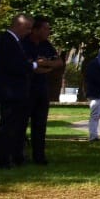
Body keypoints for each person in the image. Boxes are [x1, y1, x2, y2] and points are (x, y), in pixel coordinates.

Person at [0, 13, 33, 168]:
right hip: (10, 91)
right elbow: (13, 66)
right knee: (7, 127)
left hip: (17, 91)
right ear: (18, 25)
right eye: (27, 28)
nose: (29, 31)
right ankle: (2, 159)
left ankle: (14, 156)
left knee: (17, 126)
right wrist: (33, 66)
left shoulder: (16, 42)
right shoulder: (7, 41)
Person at [23, 17, 63, 165]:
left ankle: (39, 156)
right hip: (26, 89)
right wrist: (36, 66)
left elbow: (59, 62)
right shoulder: (24, 43)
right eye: (46, 28)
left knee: (40, 124)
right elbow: (25, 64)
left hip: (41, 89)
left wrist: (46, 64)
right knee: (20, 124)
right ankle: (18, 155)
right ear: (36, 29)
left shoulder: (46, 45)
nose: (49, 32)